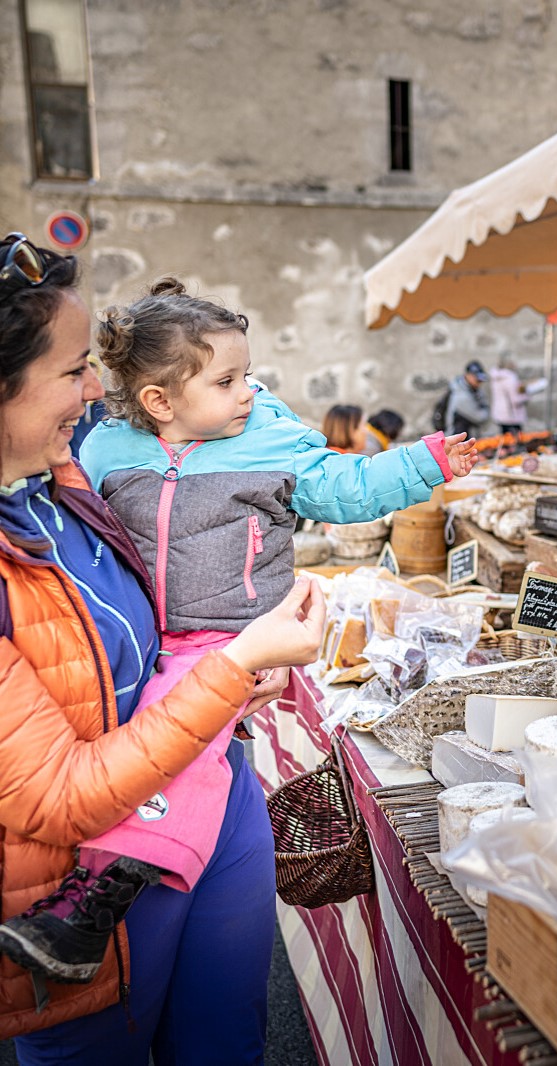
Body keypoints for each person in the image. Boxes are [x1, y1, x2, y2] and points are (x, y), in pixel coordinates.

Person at [3, 276, 479, 993]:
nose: (248, 390)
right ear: (161, 400)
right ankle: (108, 886)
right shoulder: (98, 455)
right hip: (159, 657)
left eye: (246, 374)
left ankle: (108, 883)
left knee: (197, 751)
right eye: (228, 379)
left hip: (225, 636)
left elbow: (344, 486)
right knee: (193, 746)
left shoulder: (268, 436)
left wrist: (423, 464)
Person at [0, 232, 325, 1059]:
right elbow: (59, 795)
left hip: (209, 802)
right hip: (89, 879)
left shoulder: (64, 480)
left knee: (226, 1041)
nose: (95, 394)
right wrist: (236, 666)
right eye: (73, 372)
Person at [445, 359, 490, 437]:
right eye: (477, 379)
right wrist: (485, 408)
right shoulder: (460, 395)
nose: (479, 382)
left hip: (465, 436)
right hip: (457, 439)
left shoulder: (473, 390)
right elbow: (480, 417)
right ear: (468, 376)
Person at [489, 354, 527, 437]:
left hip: (500, 413)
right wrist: (526, 395)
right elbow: (516, 399)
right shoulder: (510, 378)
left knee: (505, 442)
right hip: (511, 416)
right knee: (514, 443)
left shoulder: (496, 376)